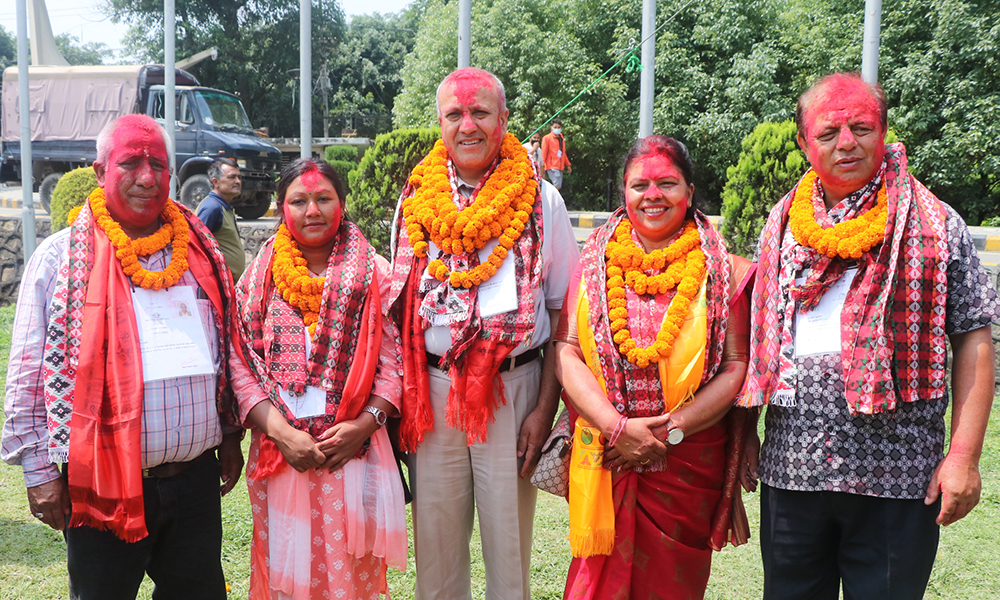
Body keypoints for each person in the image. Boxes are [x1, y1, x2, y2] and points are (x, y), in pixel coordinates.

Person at [740, 72, 1000, 600]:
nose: (846, 143)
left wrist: (964, 457)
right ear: (803, 142)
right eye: (828, 132)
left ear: (882, 131)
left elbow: (973, 338)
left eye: (861, 127)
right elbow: (757, 335)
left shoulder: (935, 222)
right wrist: (746, 431)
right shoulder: (781, 223)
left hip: (899, 477)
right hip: (794, 470)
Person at [2, 114, 246, 600]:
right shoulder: (58, 259)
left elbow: (227, 351)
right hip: (100, 482)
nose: (147, 176)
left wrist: (231, 436)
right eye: (130, 162)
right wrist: (39, 472)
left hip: (195, 478)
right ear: (100, 172)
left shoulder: (200, 254)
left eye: (158, 163)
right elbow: (27, 373)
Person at [386, 67, 579, 599]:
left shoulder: (542, 201)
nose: (467, 125)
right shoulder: (415, 202)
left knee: (508, 552)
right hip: (434, 392)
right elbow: (400, 306)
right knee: (437, 555)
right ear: (440, 123)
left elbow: (565, 313)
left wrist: (544, 411)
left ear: (503, 121)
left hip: (514, 392)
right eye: (455, 114)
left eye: (480, 113)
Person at [554, 135, 756, 599]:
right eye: (639, 184)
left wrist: (665, 432)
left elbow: (736, 365)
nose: (652, 195)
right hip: (606, 453)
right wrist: (615, 427)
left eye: (667, 183)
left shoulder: (725, 271)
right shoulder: (592, 265)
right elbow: (567, 350)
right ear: (623, 193)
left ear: (689, 192)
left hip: (686, 463)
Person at [231, 158, 407, 599]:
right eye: (300, 200)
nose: (313, 210)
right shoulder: (258, 279)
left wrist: (364, 425)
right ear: (280, 207)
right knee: (287, 575)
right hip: (281, 453)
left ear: (341, 205)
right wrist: (281, 432)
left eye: (324, 198)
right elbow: (241, 364)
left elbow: (395, 364)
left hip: (354, 452)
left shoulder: (375, 275)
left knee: (350, 574)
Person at [196, 157, 247, 281]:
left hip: (229, 285)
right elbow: (198, 248)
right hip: (219, 285)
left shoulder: (224, 206)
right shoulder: (212, 207)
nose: (238, 181)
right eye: (231, 177)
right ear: (216, 182)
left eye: (239, 177)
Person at [542, 118, 571, 190]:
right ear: (551, 127)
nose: (557, 129)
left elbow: (563, 152)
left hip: (560, 166)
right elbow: (544, 153)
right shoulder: (547, 138)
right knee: (556, 186)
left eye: (558, 127)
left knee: (558, 186)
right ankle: (552, 200)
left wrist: (568, 164)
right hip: (552, 165)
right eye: (555, 127)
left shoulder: (561, 138)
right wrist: (543, 166)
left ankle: (552, 200)